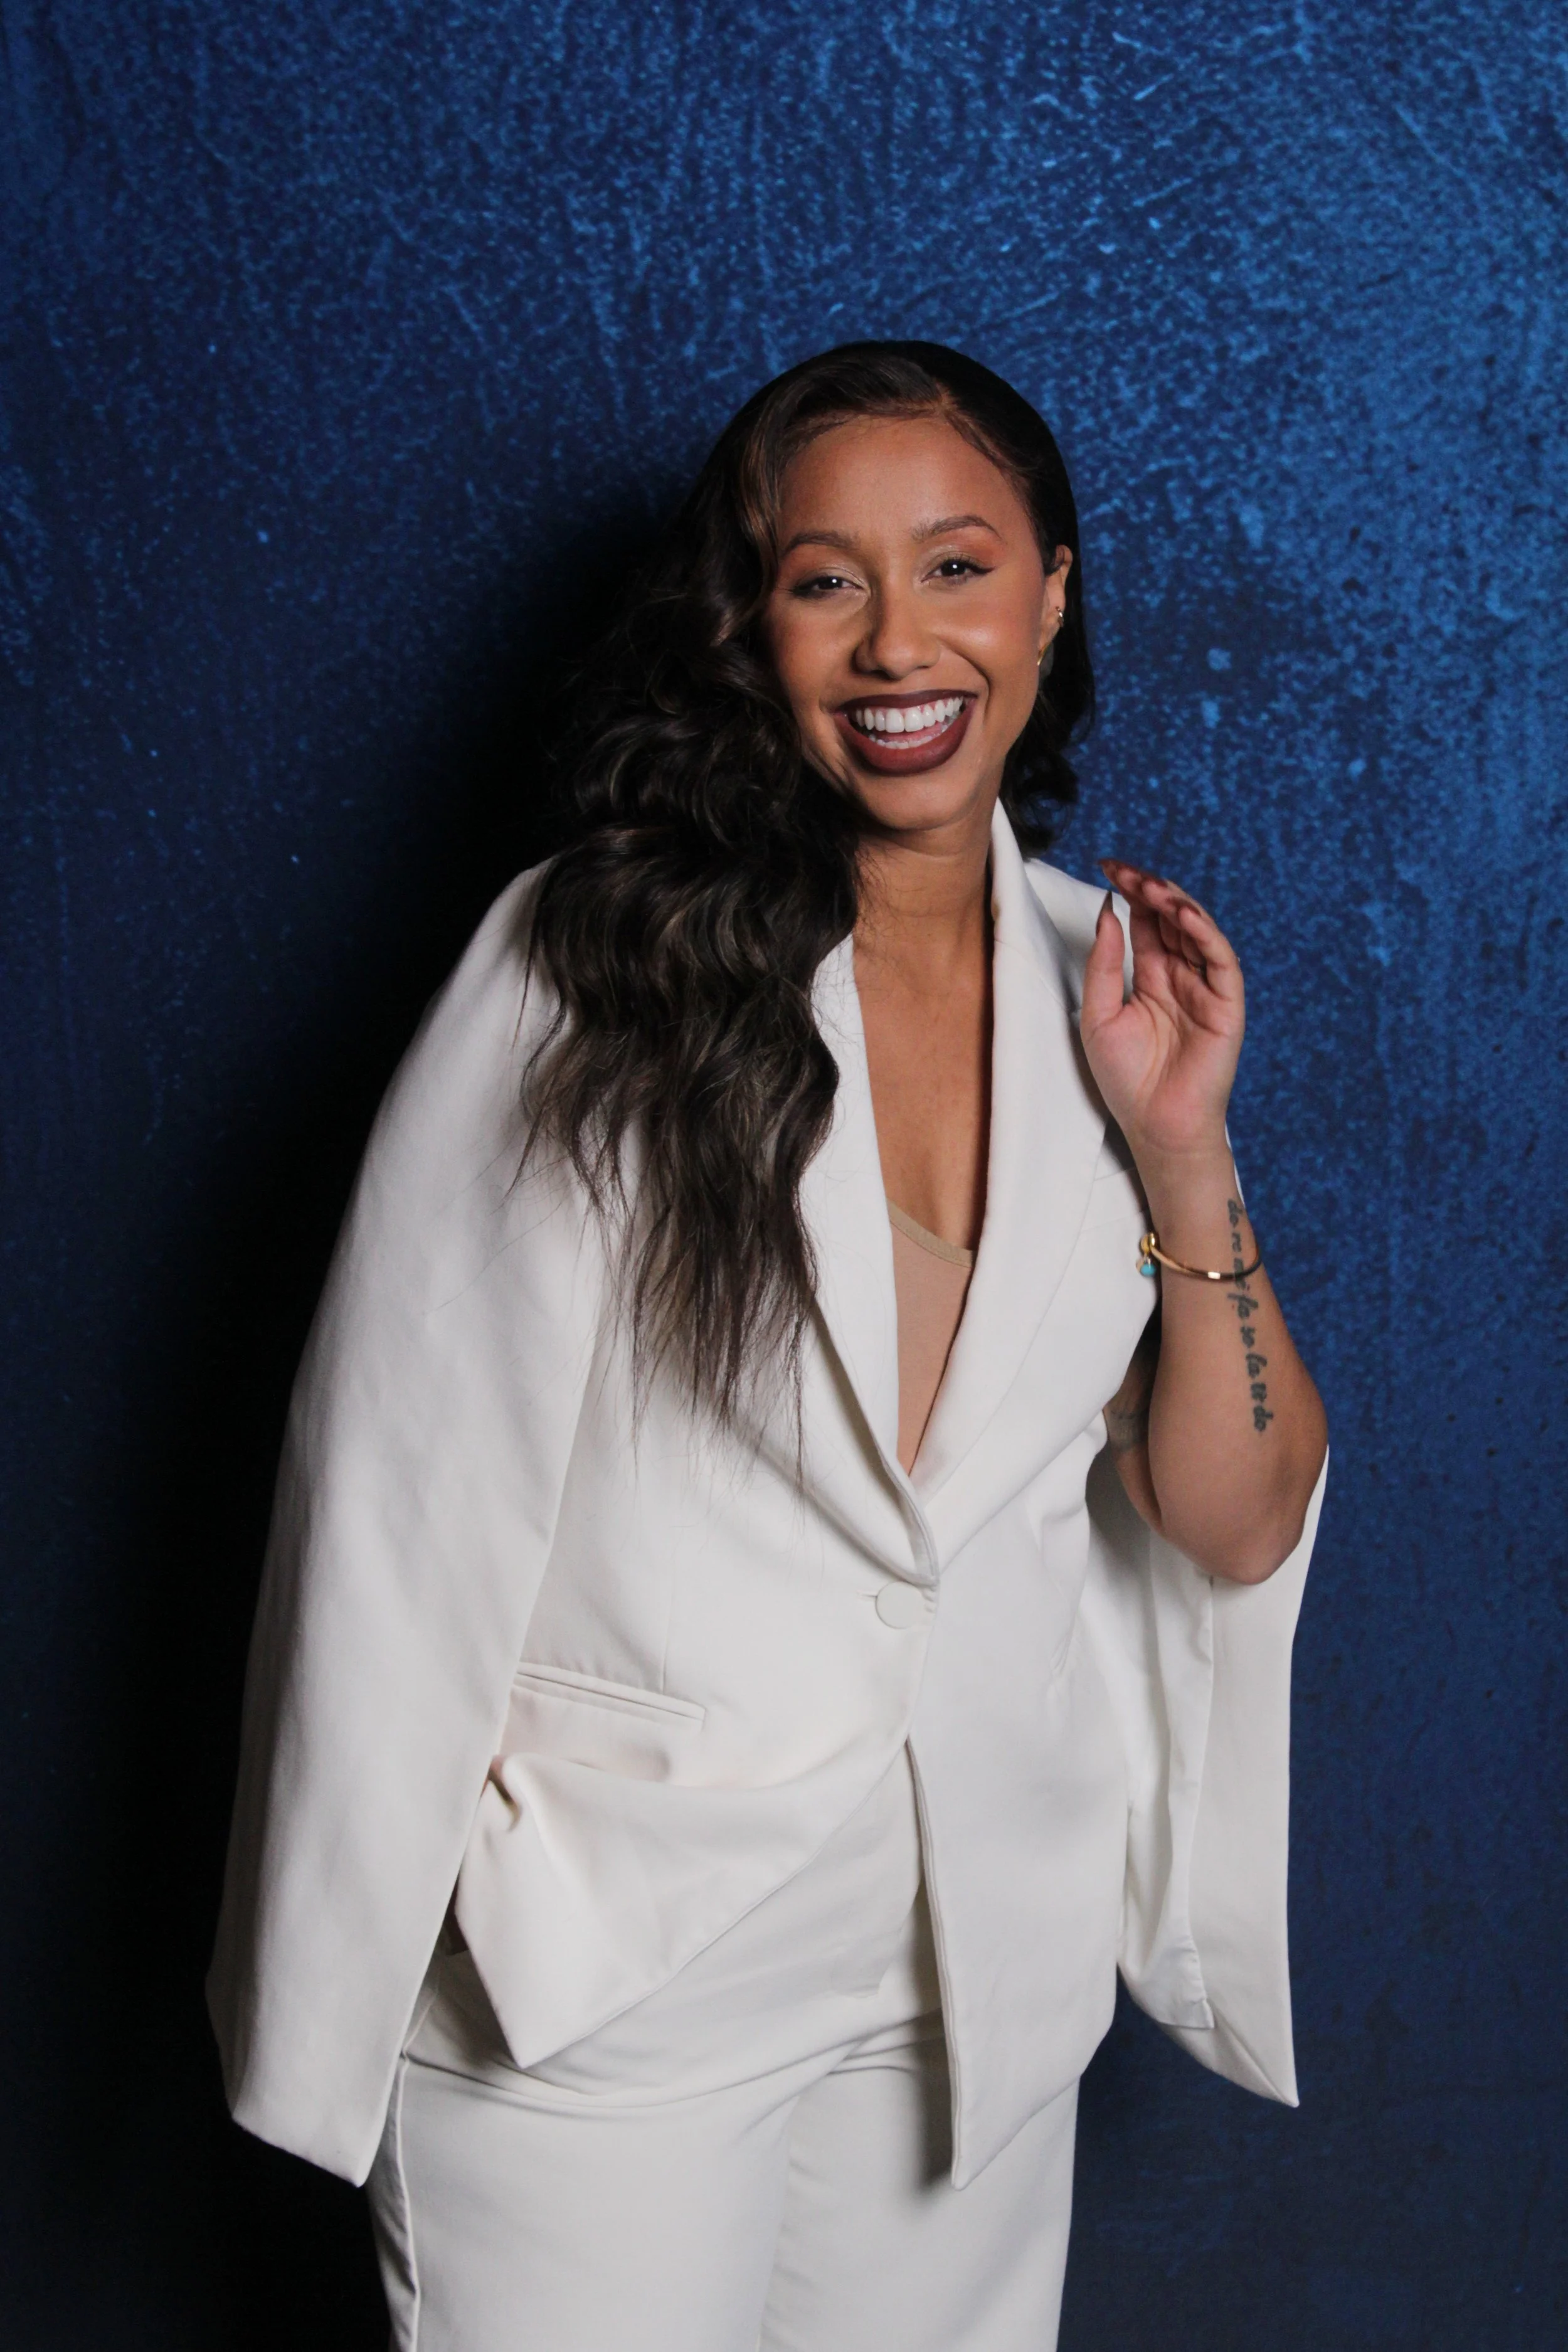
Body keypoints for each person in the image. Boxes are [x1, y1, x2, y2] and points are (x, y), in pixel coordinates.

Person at [209, 342, 1328, 2351]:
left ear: (1050, 595)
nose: (898, 638)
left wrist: (1184, 1142)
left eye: (957, 565)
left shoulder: (1111, 978)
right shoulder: (588, 961)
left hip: (965, 1981)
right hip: (617, 1963)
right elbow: (394, 1479)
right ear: (752, 624)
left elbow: (1232, 1528)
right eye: (826, 579)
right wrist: (349, 1976)